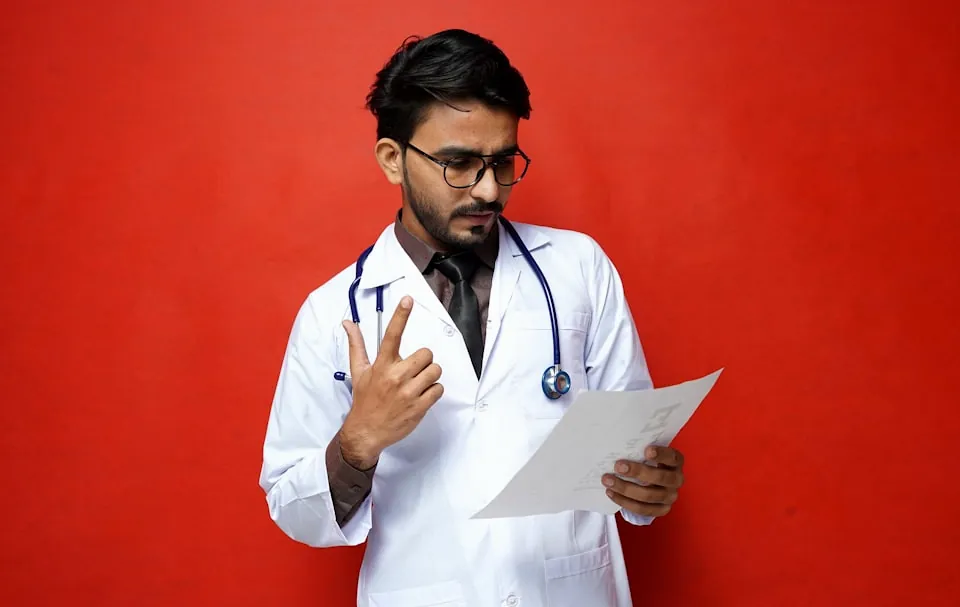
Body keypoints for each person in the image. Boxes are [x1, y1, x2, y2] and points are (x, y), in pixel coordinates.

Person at [258, 28, 688, 607]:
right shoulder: (333, 313)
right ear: (393, 159)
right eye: (458, 163)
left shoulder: (579, 268)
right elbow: (293, 511)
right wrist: (359, 441)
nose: (488, 190)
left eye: (503, 161)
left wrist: (649, 485)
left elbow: (633, 449)